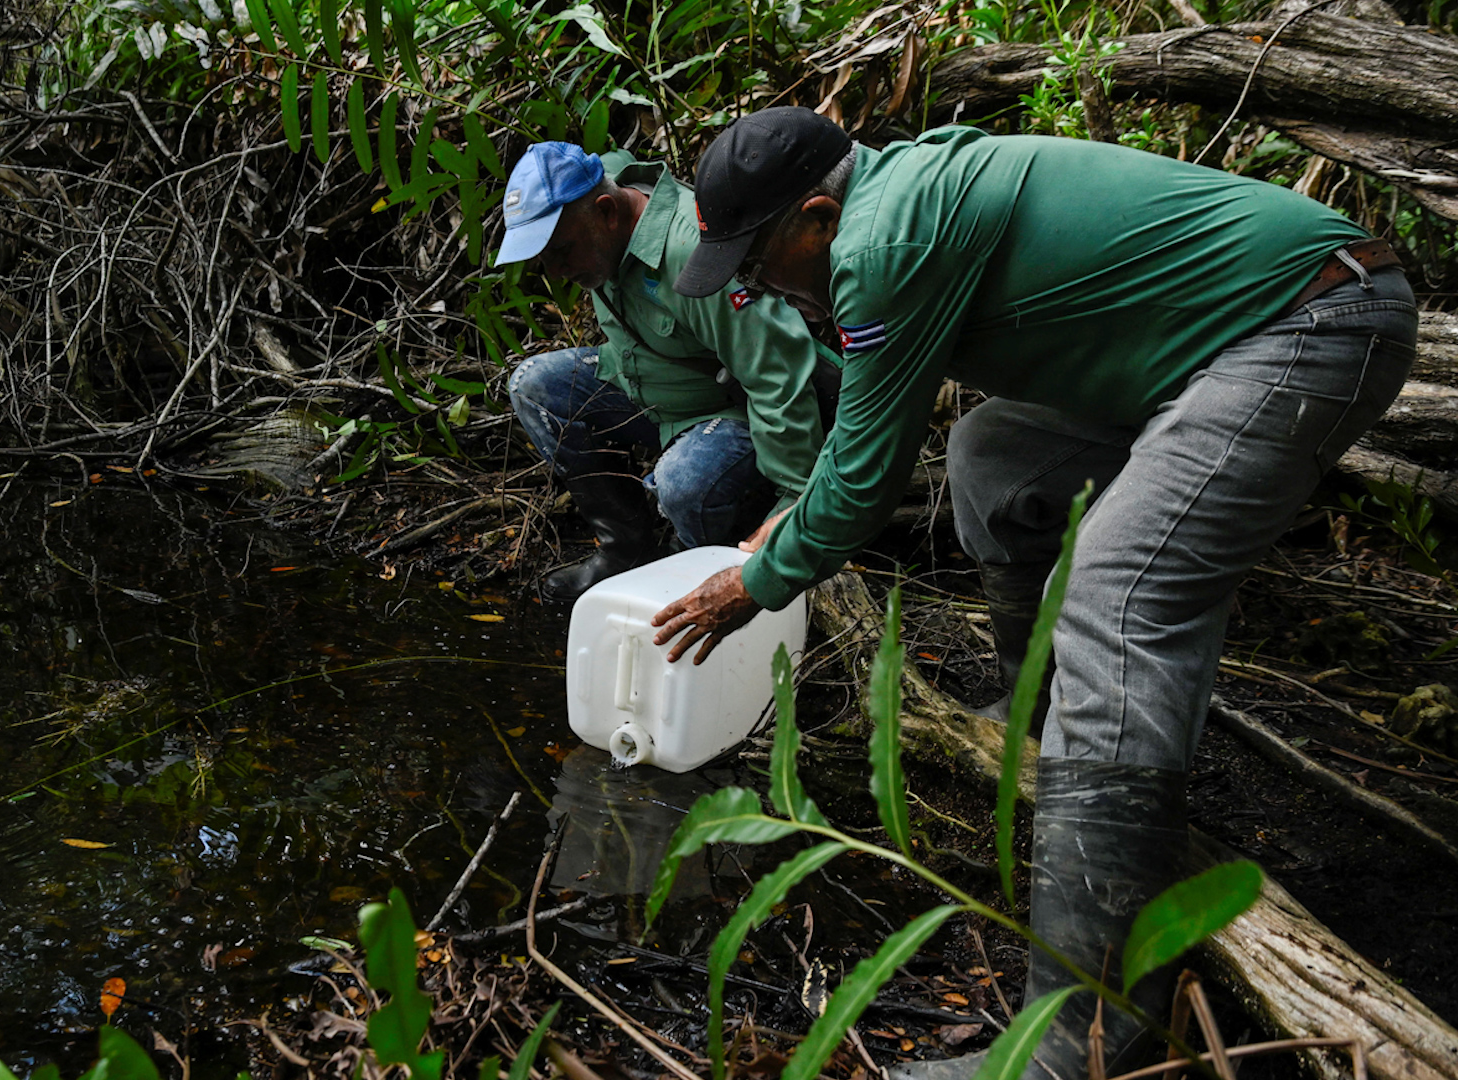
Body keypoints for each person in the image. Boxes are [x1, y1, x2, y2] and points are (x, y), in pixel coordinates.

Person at [652, 108, 1417, 1078]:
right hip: (1211, 341)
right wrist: (794, 522)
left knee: (1117, 591)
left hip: (1309, 321)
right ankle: (1045, 733)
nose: (747, 294)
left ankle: (1081, 1034)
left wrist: (750, 583)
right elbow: (856, 447)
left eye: (754, 267)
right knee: (991, 458)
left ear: (814, 216)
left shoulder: (881, 242)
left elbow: (863, 483)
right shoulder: (885, 207)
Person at [494, 141, 838, 600]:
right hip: (651, 390)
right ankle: (625, 551)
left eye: (563, 251)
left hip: (732, 411)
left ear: (606, 212)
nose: (557, 271)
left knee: (682, 481)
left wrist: (797, 505)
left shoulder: (687, 252)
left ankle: (692, 568)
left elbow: (778, 372)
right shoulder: (607, 208)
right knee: (536, 386)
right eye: (546, 259)